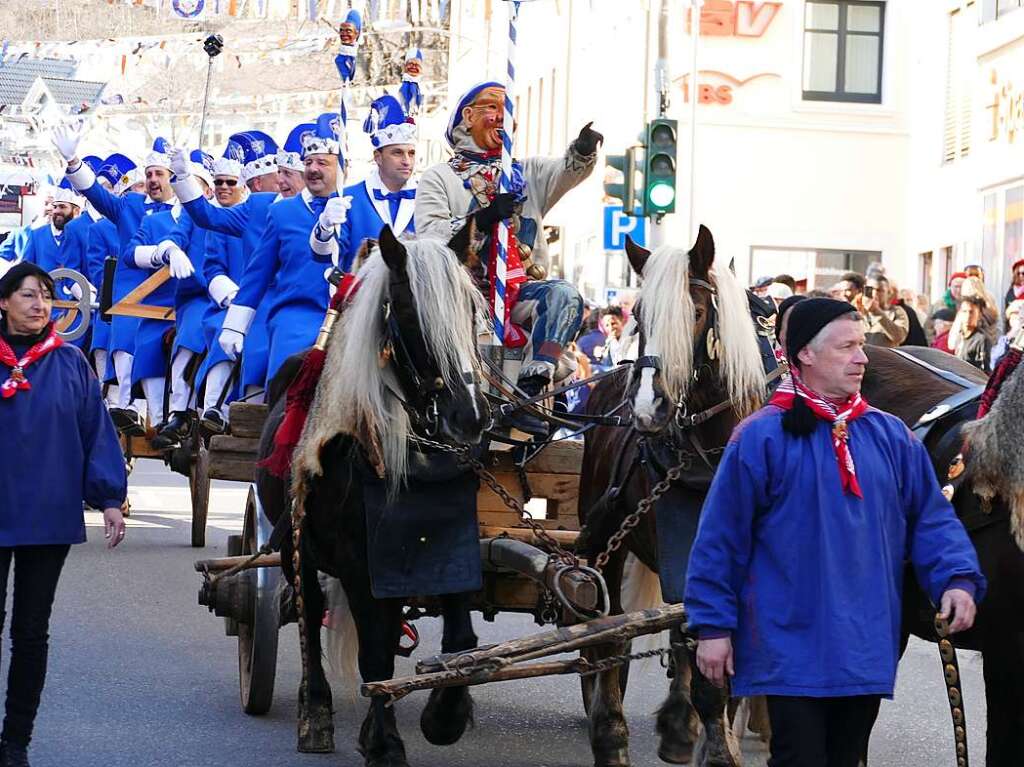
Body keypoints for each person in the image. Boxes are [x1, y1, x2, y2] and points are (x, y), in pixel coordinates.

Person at [685, 297, 985, 767]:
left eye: (861, 345)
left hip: (863, 649)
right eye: (847, 347)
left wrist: (956, 579)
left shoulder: (890, 436)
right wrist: (713, 627)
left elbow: (931, 520)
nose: (863, 357)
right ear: (805, 354)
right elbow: (721, 541)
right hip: (788, 648)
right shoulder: (760, 438)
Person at [414, 80, 601, 435]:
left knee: (564, 295)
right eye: (492, 107)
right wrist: (481, 219)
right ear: (467, 117)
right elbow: (432, 238)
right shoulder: (439, 178)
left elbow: (566, 170)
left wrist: (582, 149)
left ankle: (528, 393)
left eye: (508, 110)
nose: (503, 117)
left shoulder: (523, 174)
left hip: (518, 296)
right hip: (462, 300)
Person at [0, 262, 127, 767]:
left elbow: (95, 432)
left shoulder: (71, 362)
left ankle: (15, 742)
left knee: (30, 632)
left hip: (47, 516)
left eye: (47, 297)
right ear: (3, 303)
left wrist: (110, 498)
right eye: (28, 295)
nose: (40, 304)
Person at [57, 129, 179, 435]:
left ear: (173, 178)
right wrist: (73, 162)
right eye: (149, 173)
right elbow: (96, 195)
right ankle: (125, 408)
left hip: (171, 299)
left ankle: (165, 418)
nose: (153, 179)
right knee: (125, 340)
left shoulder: (187, 210)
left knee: (160, 348)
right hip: (130, 299)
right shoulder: (131, 207)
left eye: (159, 174)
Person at [221, 113, 347, 386]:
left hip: (352, 319)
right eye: (308, 162)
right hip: (297, 316)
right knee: (285, 381)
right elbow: (258, 273)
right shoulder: (282, 212)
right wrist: (235, 324)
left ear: (341, 168)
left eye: (323, 162)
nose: (313, 169)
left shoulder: (357, 204)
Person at [310, 94, 416, 272]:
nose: (407, 161)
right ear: (378, 157)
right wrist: (325, 226)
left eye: (411, 153)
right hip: (360, 295)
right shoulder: (347, 199)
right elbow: (323, 256)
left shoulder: (426, 197)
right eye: (397, 153)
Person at [850, 274, 909, 347]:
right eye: (870, 289)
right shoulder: (857, 308)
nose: (874, 294)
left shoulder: (896, 312)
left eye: (879, 290)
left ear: (888, 293)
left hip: (884, 357)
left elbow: (899, 337)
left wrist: (877, 312)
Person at [952, 296, 994, 373]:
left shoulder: (982, 340)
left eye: (971, 312)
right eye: (964, 311)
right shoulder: (959, 336)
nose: (968, 316)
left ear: (979, 315)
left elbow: (985, 370)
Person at [991, 299, 1023, 369]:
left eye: (1020, 316)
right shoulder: (1004, 339)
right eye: (1014, 314)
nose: (1017, 318)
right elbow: (994, 362)